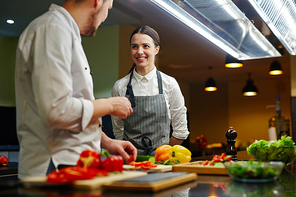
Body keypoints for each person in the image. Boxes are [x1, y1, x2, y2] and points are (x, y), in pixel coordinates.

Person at [15, 0, 136, 179]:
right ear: (97, 2)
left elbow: (73, 114)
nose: (105, 16)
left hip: (70, 163)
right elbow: (57, 110)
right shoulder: (53, 29)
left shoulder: (65, 32)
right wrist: (109, 104)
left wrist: (106, 142)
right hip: (54, 165)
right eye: (108, 8)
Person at [111, 26, 189, 156]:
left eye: (146, 46)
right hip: (131, 162)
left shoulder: (170, 84)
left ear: (156, 49)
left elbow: (181, 131)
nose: (139, 51)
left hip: (162, 162)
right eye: (134, 46)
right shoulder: (120, 87)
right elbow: (118, 131)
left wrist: (163, 154)